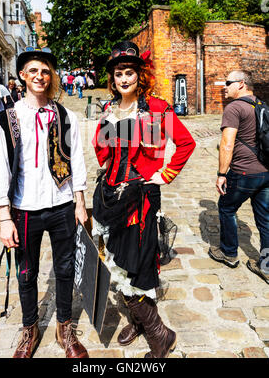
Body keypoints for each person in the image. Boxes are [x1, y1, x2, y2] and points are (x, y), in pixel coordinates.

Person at [92, 41, 196, 358]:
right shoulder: (110, 111)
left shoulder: (158, 108)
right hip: (111, 195)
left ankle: (158, 336)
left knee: (134, 266)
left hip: (141, 199)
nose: (124, 78)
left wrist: (164, 175)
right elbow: (102, 156)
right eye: (119, 73)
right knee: (115, 262)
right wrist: (106, 131)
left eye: (130, 72)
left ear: (140, 75)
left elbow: (185, 143)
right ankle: (140, 322)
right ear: (113, 79)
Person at [0, 47, 89, 359]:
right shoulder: (9, 118)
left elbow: (77, 161)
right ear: (23, 75)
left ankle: (65, 328)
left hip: (61, 204)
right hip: (24, 208)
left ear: (51, 76)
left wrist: (80, 202)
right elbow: (1, 168)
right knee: (27, 273)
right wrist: (4, 217)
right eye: (33, 70)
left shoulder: (65, 115)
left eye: (45, 71)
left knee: (64, 270)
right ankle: (30, 329)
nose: (39, 76)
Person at [209, 70, 269, 284]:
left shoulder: (234, 107)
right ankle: (267, 267)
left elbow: (227, 144)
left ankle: (229, 253)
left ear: (241, 84)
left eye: (228, 83)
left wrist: (221, 174)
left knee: (227, 208)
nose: (225, 87)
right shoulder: (261, 105)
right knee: (265, 218)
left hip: (243, 171)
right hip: (265, 172)